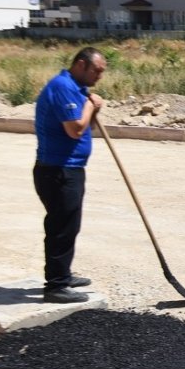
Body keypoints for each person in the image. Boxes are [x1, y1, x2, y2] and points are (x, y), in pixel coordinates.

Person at [33, 47, 107, 304]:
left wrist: (92, 109)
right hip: (57, 171)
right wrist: (89, 106)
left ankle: (63, 274)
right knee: (61, 228)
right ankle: (55, 286)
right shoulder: (63, 87)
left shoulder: (76, 89)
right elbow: (75, 129)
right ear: (80, 64)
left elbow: (87, 124)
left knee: (69, 226)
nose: (99, 76)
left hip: (70, 168)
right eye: (96, 70)